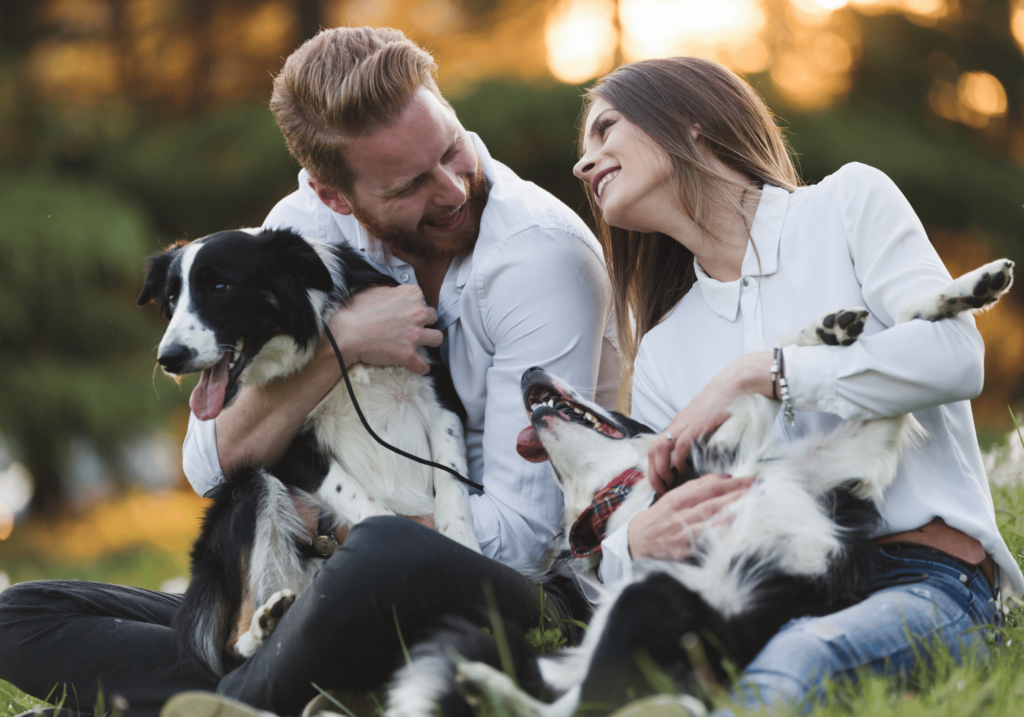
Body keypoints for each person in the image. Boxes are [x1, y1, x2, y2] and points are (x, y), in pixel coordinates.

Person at [0, 27, 619, 717]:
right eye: (411, 184)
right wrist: (341, 343)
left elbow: (519, 542)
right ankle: (302, 684)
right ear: (334, 198)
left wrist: (340, 537)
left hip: (525, 602)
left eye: (452, 148)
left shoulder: (540, 260)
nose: (451, 188)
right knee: (19, 614)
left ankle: (233, 698)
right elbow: (213, 464)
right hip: (327, 592)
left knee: (384, 550)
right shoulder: (299, 232)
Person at [570, 56, 1023, 713]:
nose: (586, 164)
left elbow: (955, 354)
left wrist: (767, 371)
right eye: (583, 150)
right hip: (770, 596)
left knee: (801, 656)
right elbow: (658, 515)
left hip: (932, 580)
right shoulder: (666, 348)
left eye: (605, 130)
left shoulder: (848, 205)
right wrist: (633, 540)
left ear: (690, 120)